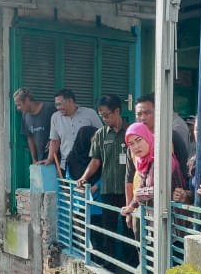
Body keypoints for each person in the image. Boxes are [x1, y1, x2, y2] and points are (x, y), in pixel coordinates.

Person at [75, 95, 131, 265]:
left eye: (107, 115)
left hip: (128, 192)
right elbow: (96, 160)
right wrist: (84, 177)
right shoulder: (100, 134)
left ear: (117, 111)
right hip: (107, 190)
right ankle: (110, 266)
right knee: (108, 232)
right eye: (101, 116)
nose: (104, 119)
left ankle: (132, 269)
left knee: (130, 232)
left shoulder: (130, 132)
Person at [123, 94, 191, 202]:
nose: (143, 118)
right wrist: (129, 209)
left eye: (147, 113)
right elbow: (129, 178)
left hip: (165, 204)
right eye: (139, 114)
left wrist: (185, 196)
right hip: (139, 206)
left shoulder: (170, 137)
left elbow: (182, 170)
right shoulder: (133, 143)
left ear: (158, 113)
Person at [120, 121, 184, 227]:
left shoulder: (162, 158)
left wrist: (138, 195)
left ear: (148, 137)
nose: (136, 146)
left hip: (173, 223)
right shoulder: (146, 161)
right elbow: (143, 185)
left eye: (139, 140)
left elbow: (158, 189)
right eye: (131, 144)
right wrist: (131, 206)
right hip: (156, 221)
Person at [46, 88, 100, 177]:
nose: (58, 108)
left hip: (88, 163)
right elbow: (55, 141)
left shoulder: (90, 113)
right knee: (68, 190)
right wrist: (49, 159)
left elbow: (100, 135)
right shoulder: (55, 117)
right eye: (56, 105)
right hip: (67, 165)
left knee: (87, 190)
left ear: (70, 101)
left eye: (60, 104)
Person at [13, 87, 56, 164]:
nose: (18, 108)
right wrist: (34, 159)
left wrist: (54, 141)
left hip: (56, 158)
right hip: (41, 160)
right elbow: (30, 138)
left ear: (27, 100)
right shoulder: (25, 116)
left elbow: (63, 128)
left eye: (19, 105)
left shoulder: (49, 108)